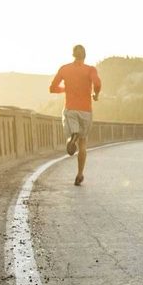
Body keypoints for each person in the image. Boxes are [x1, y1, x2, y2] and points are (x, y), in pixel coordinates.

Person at [49, 45, 101, 186]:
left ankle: (72, 138)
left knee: (71, 135)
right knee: (83, 143)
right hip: (86, 111)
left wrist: (65, 89)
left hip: (71, 109)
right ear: (84, 56)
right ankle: (79, 174)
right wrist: (95, 94)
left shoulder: (64, 69)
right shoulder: (90, 69)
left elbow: (52, 88)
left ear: (73, 55)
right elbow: (97, 83)